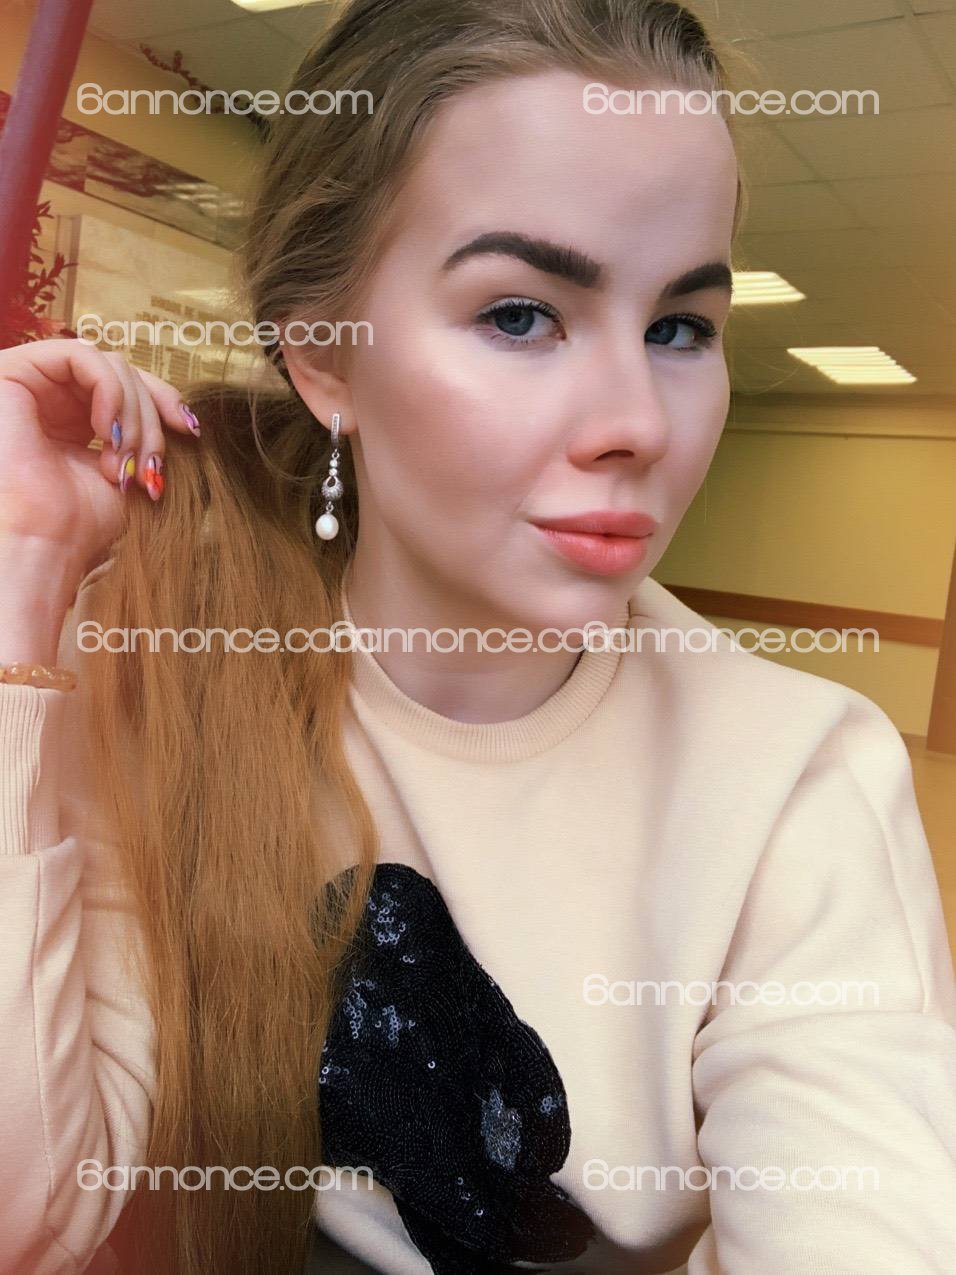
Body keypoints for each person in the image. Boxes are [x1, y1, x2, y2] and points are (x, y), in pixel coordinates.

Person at [1, 1, 955, 1273]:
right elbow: (30, 1209)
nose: (636, 423)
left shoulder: (797, 776)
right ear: (322, 358)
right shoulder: (168, 666)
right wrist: (21, 583)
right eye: (518, 315)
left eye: (679, 327)